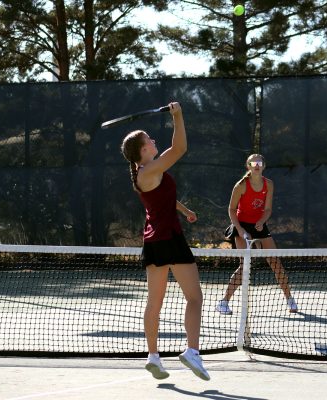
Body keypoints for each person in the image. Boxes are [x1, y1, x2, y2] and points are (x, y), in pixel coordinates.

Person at [120, 101, 210, 381]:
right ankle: (192, 351)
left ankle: (154, 358)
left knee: (154, 303)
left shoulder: (145, 174)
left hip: (153, 241)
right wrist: (178, 116)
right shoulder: (150, 170)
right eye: (149, 140)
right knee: (195, 298)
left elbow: (162, 199)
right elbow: (180, 148)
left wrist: (185, 210)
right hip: (170, 238)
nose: (154, 141)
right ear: (142, 150)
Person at [216, 154, 297, 315]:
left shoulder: (269, 185)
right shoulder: (241, 185)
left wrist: (261, 221)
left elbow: (267, 209)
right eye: (253, 163)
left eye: (260, 162)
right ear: (249, 166)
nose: (257, 165)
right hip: (241, 225)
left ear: (264, 166)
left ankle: (290, 300)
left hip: (259, 225)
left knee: (276, 263)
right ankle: (223, 302)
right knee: (245, 265)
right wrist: (240, 229)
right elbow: (231, 209)